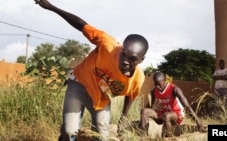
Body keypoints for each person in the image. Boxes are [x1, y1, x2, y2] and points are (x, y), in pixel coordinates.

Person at [34, 0, 149, 141]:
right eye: (123, 53)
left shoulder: (138, 78)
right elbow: (82, 25)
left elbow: (130, 97)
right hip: (79, 84)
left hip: (101, 97)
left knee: (102, 137)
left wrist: (122, 120)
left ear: (141, 60)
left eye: (132, 59)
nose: (125, 60)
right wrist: (51, 7)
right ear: (122, 47)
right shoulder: (107, 44)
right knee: (70, 132)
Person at [139, 71, 204, 137]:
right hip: (163, 113)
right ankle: (143, 136)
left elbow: (187, 106)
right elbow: (150, 107)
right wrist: (142, 120)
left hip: (176, 114)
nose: (157, 87)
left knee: (166, 116)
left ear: (164, 81)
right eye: (155, 84)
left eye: (159, 84)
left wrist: (199, 123)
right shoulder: (154, 90)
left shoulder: (174, 89)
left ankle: (169, 137)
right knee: (144, 111)